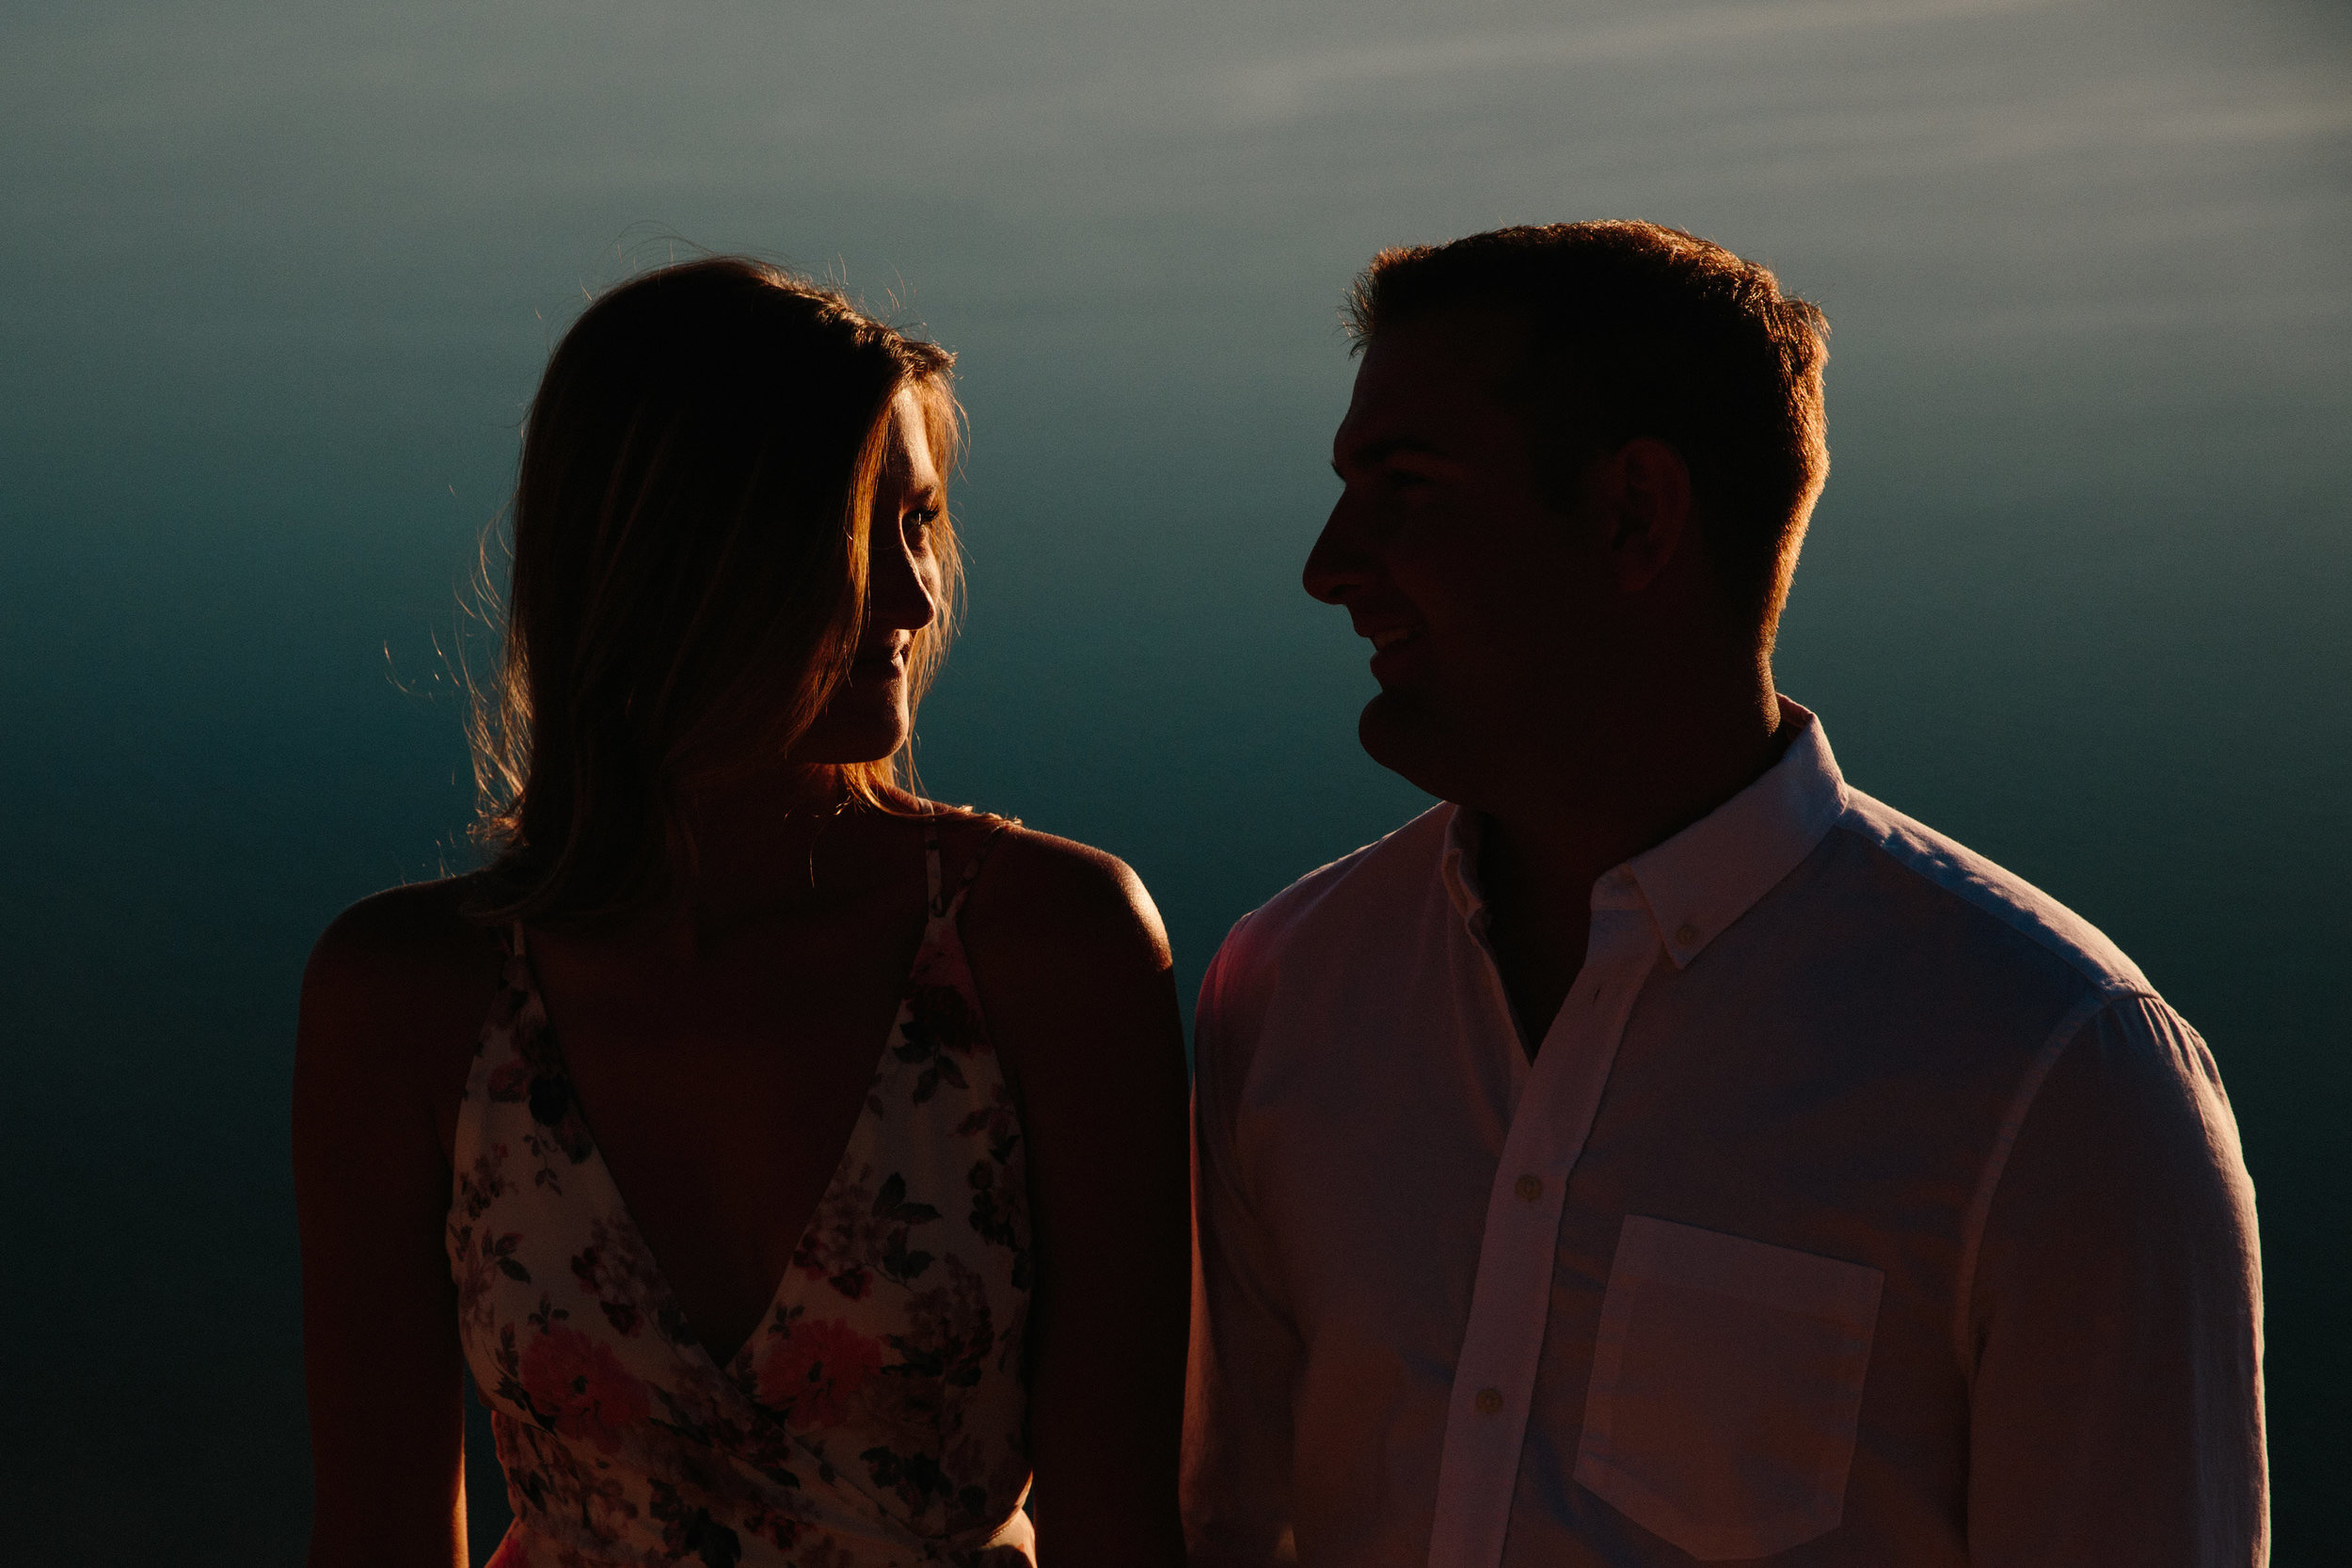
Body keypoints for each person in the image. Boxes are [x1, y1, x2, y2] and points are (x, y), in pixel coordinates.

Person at [1183, 222, 2265, 1566]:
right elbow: (1236, 1527)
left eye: (1407, 486)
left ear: (1637, 512)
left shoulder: (2056, 1077)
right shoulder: (1289, 988)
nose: (1330, 565)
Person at [295, 258, 1190, 1568]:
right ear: (680, 561)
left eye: (923, 524)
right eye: (856, 536)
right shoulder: (413, 999)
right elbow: (376, 1538)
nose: (917, 596)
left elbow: (1125, 1530)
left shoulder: (1048, 947)